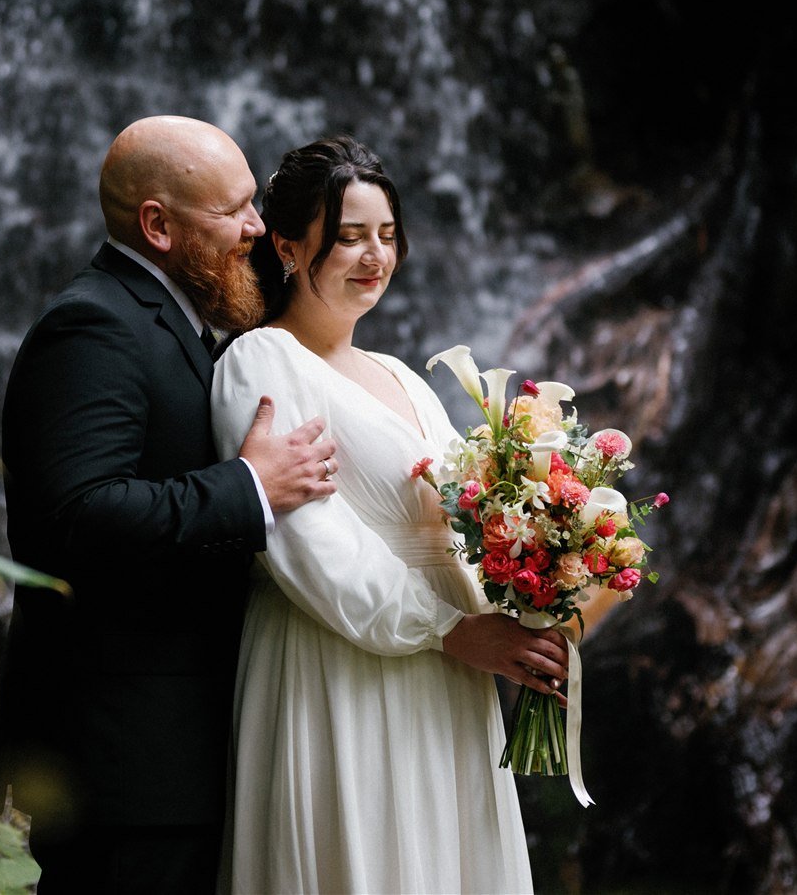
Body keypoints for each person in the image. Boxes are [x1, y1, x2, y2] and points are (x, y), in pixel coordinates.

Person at [0, 116, 340, 895]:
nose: (256, 227)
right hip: (128, 768)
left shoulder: (174, 321)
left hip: (174, 757)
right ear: (157, 224)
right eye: (235, 210)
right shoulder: (94, 325)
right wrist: (250, 485)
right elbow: (76, 516)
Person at [212, 136, 569, 894]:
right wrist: (450, 630)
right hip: (340, 658)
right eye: (347, 237)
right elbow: (310, 540)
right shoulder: (260, 363)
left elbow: (468, 519)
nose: (374, 255)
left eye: (385, 234)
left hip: (454, 670)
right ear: (285, 245)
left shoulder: (400, 374)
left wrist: (537, 587)